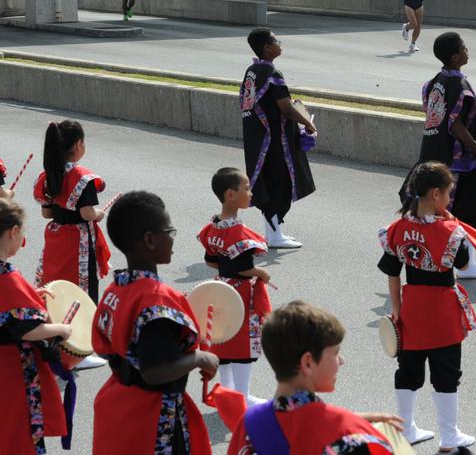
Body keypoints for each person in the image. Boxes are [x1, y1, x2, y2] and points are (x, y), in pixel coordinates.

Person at [92, 191, 219, 454]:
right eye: (168, 230)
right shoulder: (155, 299)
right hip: (150, 418)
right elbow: (154, 371)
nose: (172, 237)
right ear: (149, 240)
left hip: (119, 405)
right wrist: (199, 359)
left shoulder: (116, 288)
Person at [381, 162, 476, 451]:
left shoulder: (398, 227)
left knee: (408, 370)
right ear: (436, 194)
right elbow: (463, 263)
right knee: (446, 372)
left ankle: (406, 428)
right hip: (441, 311)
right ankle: (449, 436)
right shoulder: (450, 232)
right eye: (449, 193)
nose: (450, 199)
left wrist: (397, 307)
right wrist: (453, 223)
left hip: (411, 307)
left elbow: (391, 270)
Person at [404, 32, 476, 280]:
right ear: (455, 57)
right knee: (466, 211)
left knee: (435, 211)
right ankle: (466, 266)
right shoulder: (458, 85)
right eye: (464, 48)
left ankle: (446, 260)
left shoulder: (434, 82)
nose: (468, 51)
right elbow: (454, 125)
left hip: (434, 155)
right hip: (460, 164)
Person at [227, 301, 402, 454]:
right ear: (308, 363)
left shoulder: (249, 424)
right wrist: (350, 421)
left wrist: (353, 418)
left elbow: (295, 424)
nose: (341, 361)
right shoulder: (351, 436)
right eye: (335, 353)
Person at [0, 198, 70, 455]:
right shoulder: (7, 276)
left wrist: (29, 296)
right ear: (13, 231)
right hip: (9, 372)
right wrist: (62, 329)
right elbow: (27, 329)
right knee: (16, 436)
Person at [198, 167, 272, 405]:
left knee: (223, 339)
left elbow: (210, 260)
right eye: (246, 188)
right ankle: (242, 394)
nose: (250, 193)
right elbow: (243, 267)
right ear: (231, 195)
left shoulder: (212, 228)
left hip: (220, 288)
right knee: (241, 343)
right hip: (240, 292)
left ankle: (226, 389)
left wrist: (225, 272)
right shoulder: (238, 233)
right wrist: (261, 272)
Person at [242, 28, 317, 249]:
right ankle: (274, 235)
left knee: (270, 183)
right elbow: (285, 108)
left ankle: (273, 231)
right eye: (277, 41)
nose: (279, 44)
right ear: (267, 47)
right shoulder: (272, 74)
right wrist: (308, 123)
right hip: (275, 142)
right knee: (281, 184)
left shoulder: (252, 71)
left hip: (258, 140)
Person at [34, 121, 112, 331]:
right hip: (78, 241)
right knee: (82, 286)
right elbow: (87, 213)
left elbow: (46, 213)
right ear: (78, 145)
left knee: (55, 280)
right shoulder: (82, 178)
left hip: (56, 238)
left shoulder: (48, 176)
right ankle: (82, 336)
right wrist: (99, 214)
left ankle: (55, 324)